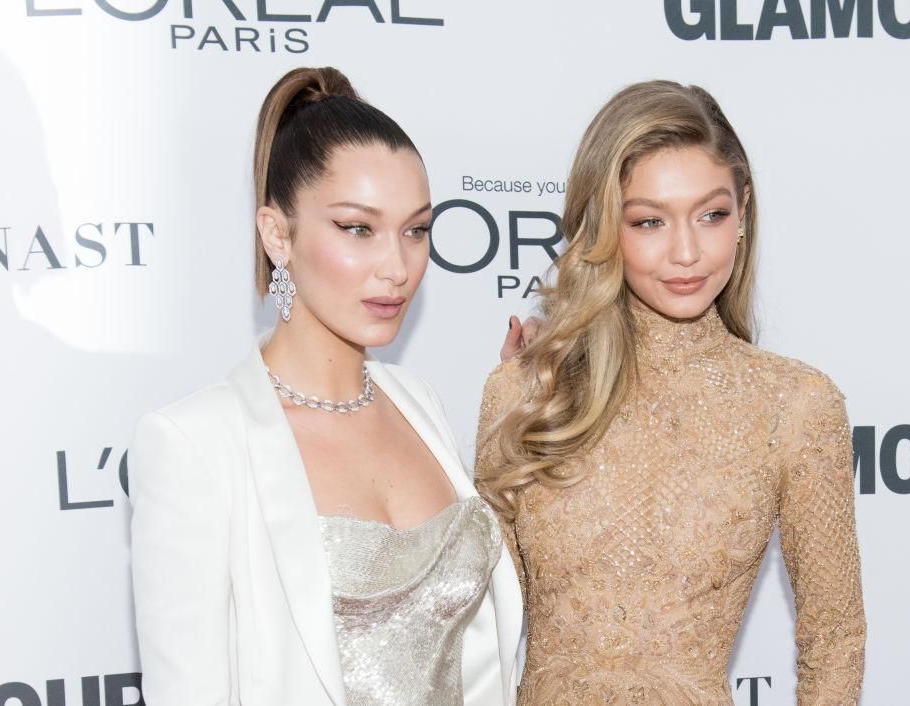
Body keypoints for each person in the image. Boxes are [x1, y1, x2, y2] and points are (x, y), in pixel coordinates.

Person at [129, 66, 523, 706]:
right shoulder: (195, 444)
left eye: (416, 230)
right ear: (277, 234)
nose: (397, 267)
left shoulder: (419, 404)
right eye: (357, 228)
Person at [475, 80, 866, 705]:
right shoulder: (521, 393)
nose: (687, 252)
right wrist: (537, 393)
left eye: (712, 215)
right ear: (605, 228)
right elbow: (479, 633)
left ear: (743, 214)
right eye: (649, 221)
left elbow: (835, 642)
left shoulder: (794, 406)